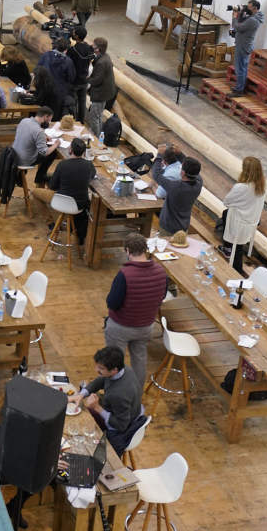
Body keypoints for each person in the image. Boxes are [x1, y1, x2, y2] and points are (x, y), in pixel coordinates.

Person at [104, 234, 168, 385]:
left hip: (121, 326)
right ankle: (136, 394)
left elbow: (112, 303)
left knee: (113, 362)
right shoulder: (161, 271)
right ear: (145, 249)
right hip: (145, 326)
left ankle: (113, 393)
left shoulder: (125, 274)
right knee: (139, 360)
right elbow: (161, 297)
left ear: (127, 251)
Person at [32, 139, 96, 244]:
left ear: (70, 150)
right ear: (84, 152)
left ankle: (51, 224)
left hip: (61, 201)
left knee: (35, 192)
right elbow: (92, 175)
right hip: (79, 205)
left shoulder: (62, 165)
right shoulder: (89, 165)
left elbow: (52, 186)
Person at [73, 346, 144, 438]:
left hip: (120, 426)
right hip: (124, 410)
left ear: (114, 370)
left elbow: (121, 426)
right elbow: (102, 380)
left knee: (80, 421)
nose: (96, 370)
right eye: (97, 366)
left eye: (101, 368)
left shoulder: (118, 395)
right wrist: (82, 394)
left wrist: (97, 407)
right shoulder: (124, 369)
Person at [220, 156, 267, 274]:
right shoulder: (262, 186)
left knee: (226, 214)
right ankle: (229, 247)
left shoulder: (241, 187)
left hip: (241, 223)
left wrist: (237, 205)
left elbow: (226, 202)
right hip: (253, 220)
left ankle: (234, 262)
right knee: (226, 213)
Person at [153, 152, 202, 238]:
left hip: (168, 227)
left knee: (166, 250)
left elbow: (156, 175)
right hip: (184, 226)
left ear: (182, 173)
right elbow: (194, 168)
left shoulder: (175, 187)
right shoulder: (199, 183)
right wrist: (180, 154)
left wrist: (159, 155)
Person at [10, 107, 60, 183]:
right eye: (49, 119)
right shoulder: (38, 131)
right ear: (45, 116)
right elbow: (45, 152)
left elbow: (31, 131)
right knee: (52, 153)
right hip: (24, 160)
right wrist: (56, 144)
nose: (49, 122)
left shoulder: (24, 120)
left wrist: (44, 135)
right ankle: (40, 177)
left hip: (14, 155)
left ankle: (24, 178)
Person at [228, 0, 265, 97]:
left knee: (240, 68)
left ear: (255, 8)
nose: (247, 8)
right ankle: (239, 88)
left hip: (243, 46)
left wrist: (234, 18)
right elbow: (242, 23)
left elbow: (238, 27)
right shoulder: (253, 17)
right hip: (245, 45)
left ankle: (239, 90)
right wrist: (240, 13)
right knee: (242, 68)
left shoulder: (253, 20)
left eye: (249, 7)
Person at [86, 37, 117, 137]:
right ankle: (98, 135)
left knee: (94, 116)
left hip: (101, 93)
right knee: (98, 115)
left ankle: (96, 137)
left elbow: (96, 80)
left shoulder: (101, 63)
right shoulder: (105, 56)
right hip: (106, 92)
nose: (91, 47)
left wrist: (86, 79)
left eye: (93, 45)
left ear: (98, 49)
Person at [67, 25, 94, 119]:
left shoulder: (72, 50)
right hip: (84, 80)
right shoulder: (89, 48)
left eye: (74, 33)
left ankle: (73, 120)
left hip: (74, 81)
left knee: (73, 102)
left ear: (77, 36)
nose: (72, 34)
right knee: (82, 102)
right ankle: (81, 121)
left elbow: (68, 63)